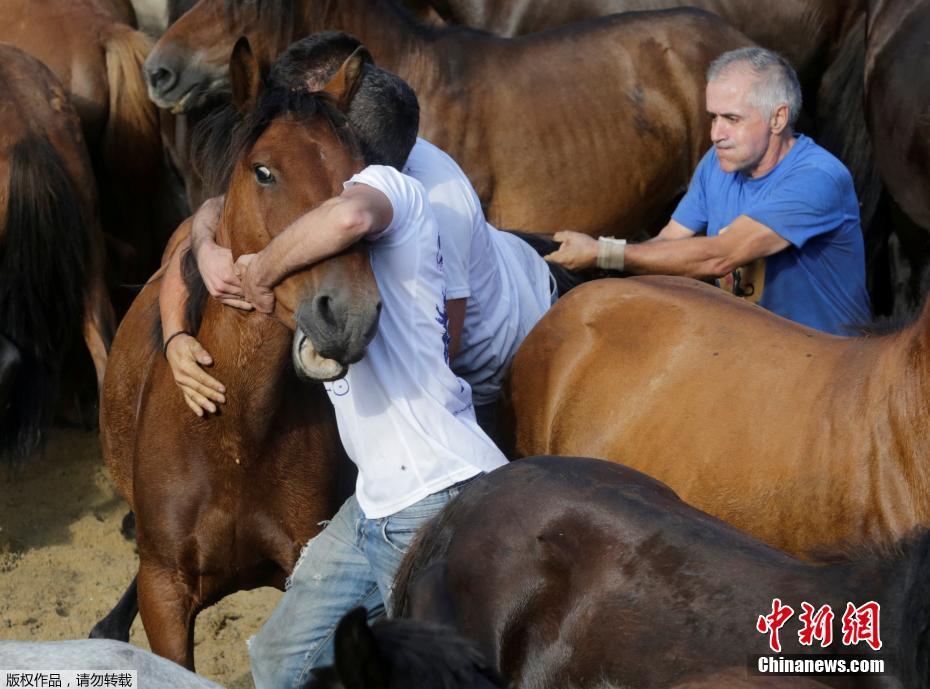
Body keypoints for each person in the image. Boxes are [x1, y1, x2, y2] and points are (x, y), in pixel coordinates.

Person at [171, 53, 506, 688]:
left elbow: (345, 216)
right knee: (277, 661)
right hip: (372, 505)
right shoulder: (331, 223)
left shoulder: (389, 195)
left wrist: (260, 268)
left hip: (436, 497)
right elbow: (224, 201)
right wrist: (207, 250)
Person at [162, 33, 554, 437]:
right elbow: (217, 208)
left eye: (302, 104)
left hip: (495, 365)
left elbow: (440, 353)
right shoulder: (313, 155)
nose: (288, 116)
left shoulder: (437, 199)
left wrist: (261, 272)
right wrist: (195, 280)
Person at [545, 47, 871, 336]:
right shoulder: (716, 164)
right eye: (713, 117)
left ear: (778, 118)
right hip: (753, 350)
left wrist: (605, 252)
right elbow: (669, 242)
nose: (716, 134)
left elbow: (720, 256)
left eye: (732, 118)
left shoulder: (818, 178)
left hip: (828, 364)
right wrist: (601, 273)